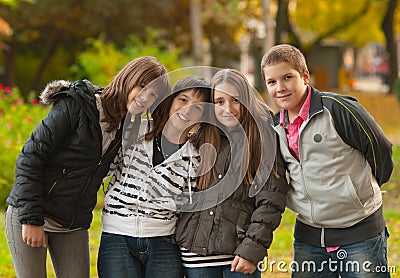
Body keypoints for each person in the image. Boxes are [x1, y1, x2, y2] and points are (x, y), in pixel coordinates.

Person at [5, 56, 170, 278]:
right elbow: (30, 157)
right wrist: (31, 219)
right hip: (34, 213)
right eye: (142, 87)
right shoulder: (78, 104)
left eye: (153, 95)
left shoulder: (129, 128)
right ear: (128, 79)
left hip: (72, 223)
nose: (144, 98)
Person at [261, 44, 394, 277]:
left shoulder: (339, 109)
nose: (280, 88)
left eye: (287, 77)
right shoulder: (274, 126)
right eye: (272, 82)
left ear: (305, 76)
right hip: (309, 238)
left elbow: (380, 149)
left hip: (359, 232)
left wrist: (365, 188)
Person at [174, 69, 289, 278]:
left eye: (235, 100)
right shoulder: (199, 138)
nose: (228, 108)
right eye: (219, 101)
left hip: (239, 258)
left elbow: (271, 201)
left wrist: (251, 251)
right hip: (196, 258)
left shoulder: (262, 141)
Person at [97, 75, 211, 278]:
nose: (187, 110)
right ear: (170, 101)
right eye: (183, 100)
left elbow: (186, 205)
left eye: (197, 107)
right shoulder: (134, 132)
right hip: (117, 236)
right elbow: (104, 168)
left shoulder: (196, 156)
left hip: (163, 242)